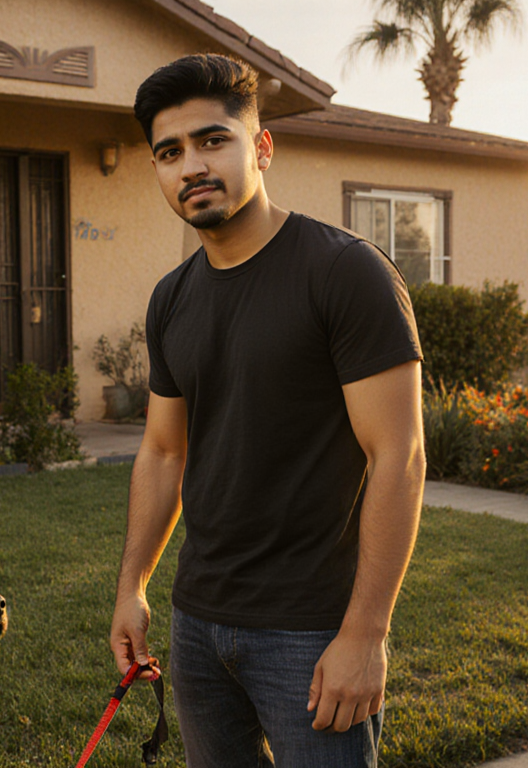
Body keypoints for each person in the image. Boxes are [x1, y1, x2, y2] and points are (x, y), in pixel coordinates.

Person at [109, 53, 425, 767]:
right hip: (196, 623)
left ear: (262, 146)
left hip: (311, 631)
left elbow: (397, 457)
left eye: (212, 140)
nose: (191, 165)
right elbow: (164, 452)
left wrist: (366, 635)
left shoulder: (345, 273)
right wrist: (132, 588)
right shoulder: (172, 297)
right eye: (169, 152)